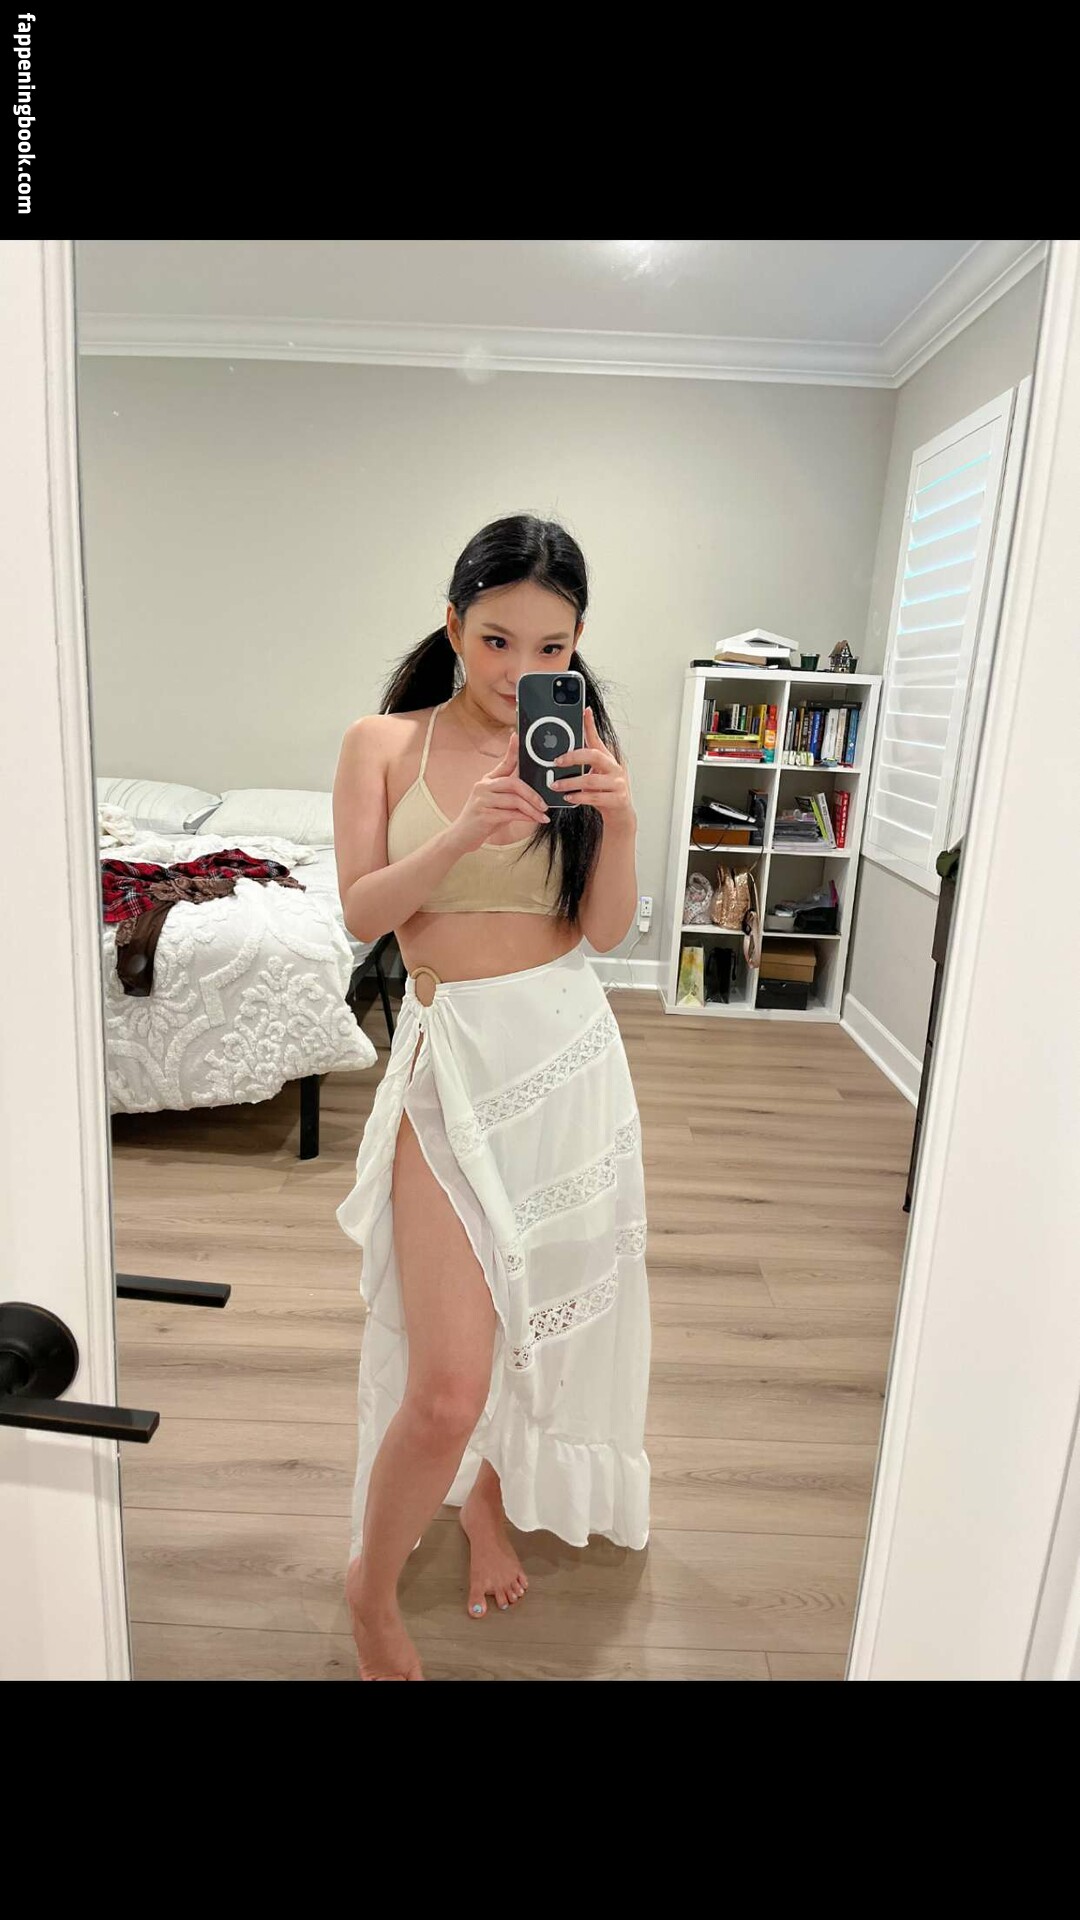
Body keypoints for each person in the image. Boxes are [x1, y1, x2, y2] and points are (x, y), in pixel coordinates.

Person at [333, 514, 651, 1681]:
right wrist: (461, 832)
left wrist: (619, 817)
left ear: (577, 645)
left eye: (553, 648)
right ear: (454, 623)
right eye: (498, 640)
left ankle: (484, 1504)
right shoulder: (383, 743)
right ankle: (370, 1593)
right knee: (448, 1383)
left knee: (540, 1334)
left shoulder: (582, 746)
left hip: (567, 1063)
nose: (524, 670)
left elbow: (604, 931)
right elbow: (363, 914)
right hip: (451, 1066)